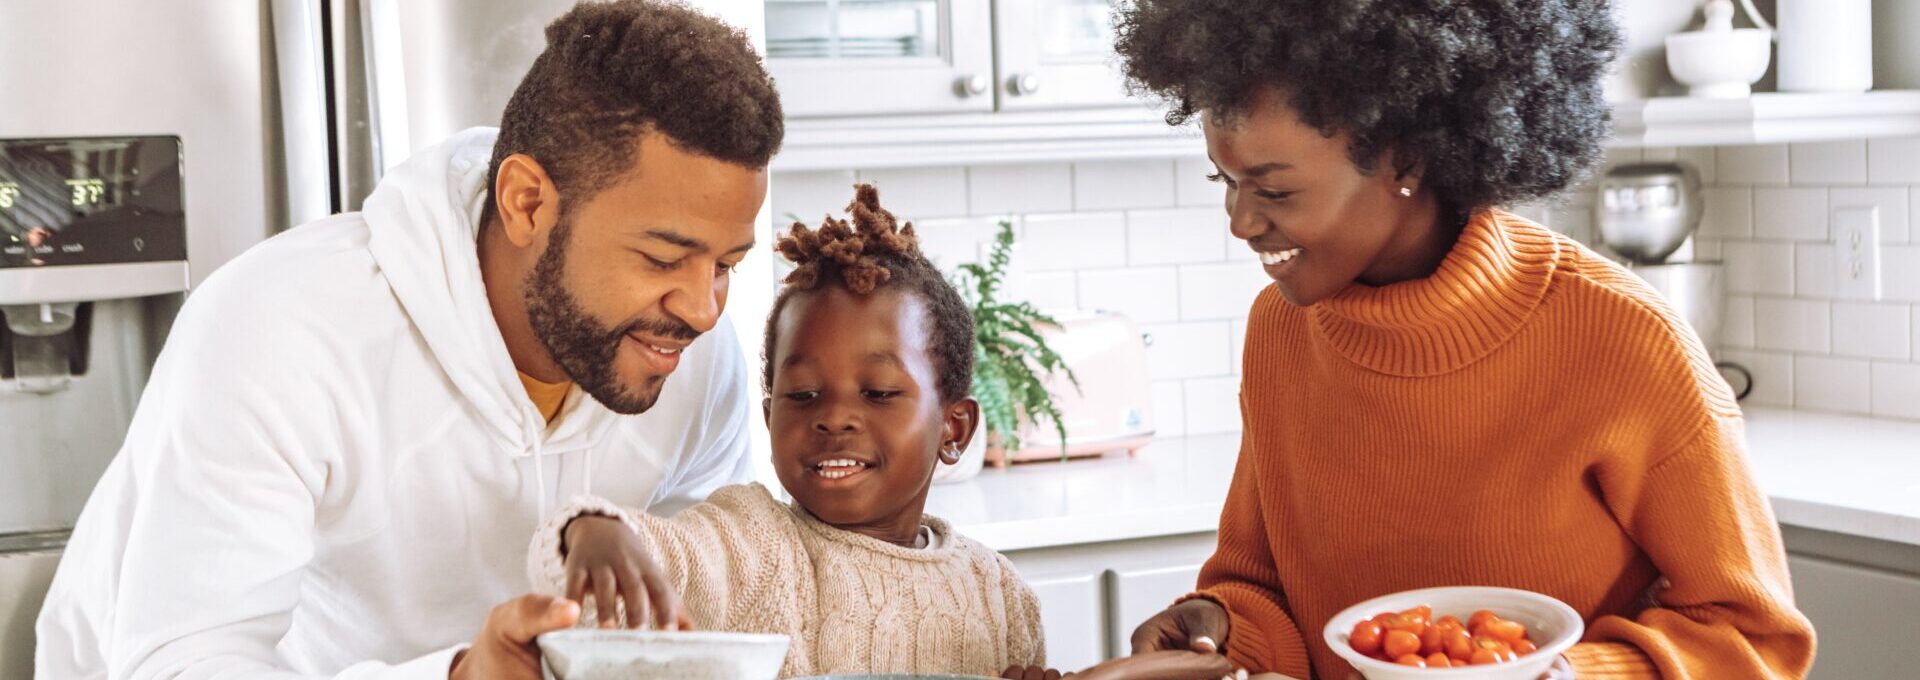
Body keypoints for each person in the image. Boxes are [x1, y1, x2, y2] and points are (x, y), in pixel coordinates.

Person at [34, 2, 782, 678]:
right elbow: (179, 665)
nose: (704, 308)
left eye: (726, 265)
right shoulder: (281, 330)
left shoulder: (684, 353)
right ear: (527, 203)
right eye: (660, 258)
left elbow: (699, 592)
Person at [1109, 1, 1817, 678]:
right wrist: (1220, 624)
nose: (1239, 221)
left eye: (1274, 190)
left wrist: (1560, 676)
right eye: (1225, 181)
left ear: (1406, 162)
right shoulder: (1282, 332)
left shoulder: (1625, 341)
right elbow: (1264, 589)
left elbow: (1753, 640)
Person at [529, 185, 1047, 677]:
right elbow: (649, 568)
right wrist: (592, 531)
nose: (835, 417)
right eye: (803, 396)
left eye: (879, 393)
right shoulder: (753, 545)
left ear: (954, 429)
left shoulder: (1000, 594)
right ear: (771, 416)